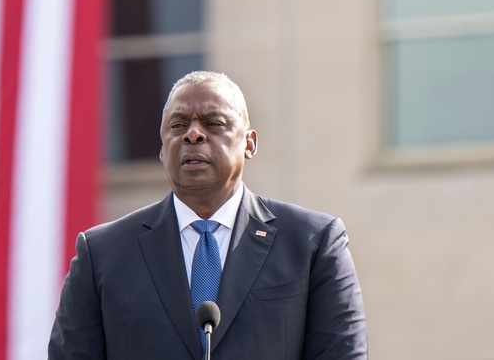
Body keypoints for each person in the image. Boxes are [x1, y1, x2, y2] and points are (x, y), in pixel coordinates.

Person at [48, 70, 368, 360]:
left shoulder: (313, 243)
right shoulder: (102, 253)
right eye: (178, 125)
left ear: (249, 143)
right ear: (162, 149)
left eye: (213, 123)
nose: (193, 135)